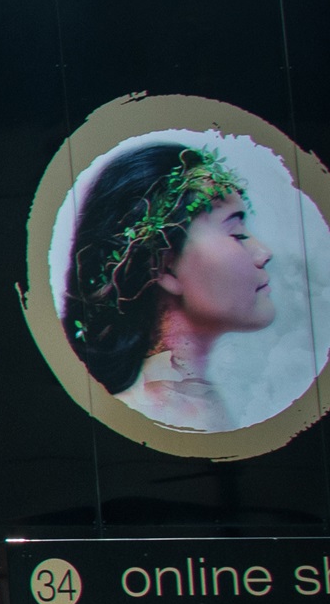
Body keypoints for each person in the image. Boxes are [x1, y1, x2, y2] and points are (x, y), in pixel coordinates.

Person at [60, 140, 275, 431]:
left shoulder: (209, 405)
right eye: (236, 233)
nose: (264, 253)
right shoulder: (152, 419)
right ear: (163, 265)